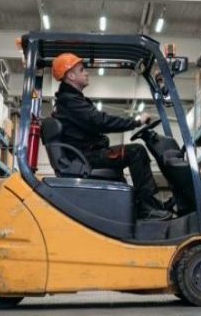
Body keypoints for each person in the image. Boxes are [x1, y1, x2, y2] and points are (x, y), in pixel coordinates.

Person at [50, 52, 172, 220]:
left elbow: (96, 121)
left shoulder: (71, 100)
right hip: (85, 158)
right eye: (81, 70)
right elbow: (100, 121)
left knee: (128, 153)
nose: (86, 73)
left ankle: (148, 205)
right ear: (70, 75)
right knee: (136, 151)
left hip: (84, 155)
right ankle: (147, 208)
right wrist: (135, 121)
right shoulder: (70, 102)